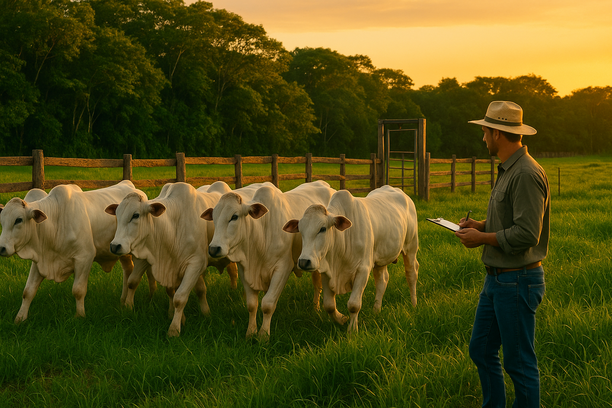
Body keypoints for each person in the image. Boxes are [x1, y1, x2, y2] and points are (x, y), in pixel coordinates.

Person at [455, 101, 550, 407]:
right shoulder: (509, 170)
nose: (482, 138)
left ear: (497, 134)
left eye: (484, 131)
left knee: (519, 364)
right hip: (497, 279)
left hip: (518, 280)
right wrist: (479, 225)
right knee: (481, 350)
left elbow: (526, 234)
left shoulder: (525, 173)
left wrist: (481, 237)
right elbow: (509, 221)